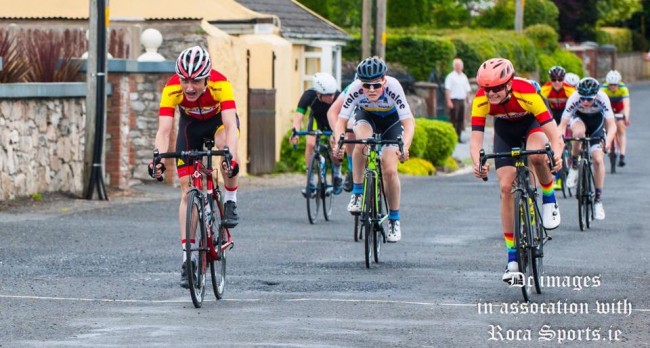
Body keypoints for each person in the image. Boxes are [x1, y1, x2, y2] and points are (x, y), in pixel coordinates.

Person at [149, 46, 241, 288]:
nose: (189, 87)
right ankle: (188, 256)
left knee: (226, 150)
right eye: (185, 80)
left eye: (196, 81)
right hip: (191, 126)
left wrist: (231, 155)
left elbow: (231, 125)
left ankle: (230, 199)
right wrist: (157, 158)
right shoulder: (171, 88)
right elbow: (165, 130)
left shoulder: (222, 84)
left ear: (207, 78)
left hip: (219, 124)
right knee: (187, 189)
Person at [470, 58, 563, 283]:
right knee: (505, 187)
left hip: (532, 126)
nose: (491, 94)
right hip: (505, 132)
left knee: (538, 154)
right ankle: (512, 258)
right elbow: (476, 140)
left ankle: (549, 198)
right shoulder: (481, 99)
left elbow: (554, 135)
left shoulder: (528, 92)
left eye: (496, 89)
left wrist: (557, 154)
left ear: (509, 84)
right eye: (487, 89)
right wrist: (478, 163)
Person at [333, 57, 414, 242]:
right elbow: (341, 121)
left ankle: (394, 220)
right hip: (367, 117)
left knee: (390, 169)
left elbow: (408, 123)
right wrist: (339, 142)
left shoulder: (394, 87)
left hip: (391, 122)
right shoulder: (354, 89)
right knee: (362, 142)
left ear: (384, 80)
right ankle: (357, 192)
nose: (370, 90)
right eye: (366, 85)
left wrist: (405, 147)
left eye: (376, 85)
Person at [560, 77, 617, 220]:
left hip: (597, 124)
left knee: (598, 160)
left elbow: (612, 124)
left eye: (589, 99)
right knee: (578, 134)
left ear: (596, 95)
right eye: (583, 98)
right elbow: (563, 124)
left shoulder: (603, 97)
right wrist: (558, 140)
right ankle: (574, 165)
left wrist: (608, 141)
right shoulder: (574, 97)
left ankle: (598, 200)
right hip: (579, 120)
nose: (585, 102)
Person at [290, 72, 343, 195]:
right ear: (318, 93)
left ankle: (337, 174)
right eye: (327, 95)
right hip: (316, 120)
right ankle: (311, 181)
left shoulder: (339, 96)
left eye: (332, 94)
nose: (331, 98)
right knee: (310, 144)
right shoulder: (308, 95)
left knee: (335, 144)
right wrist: (295, 132)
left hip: (334, 121)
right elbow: (298, 116)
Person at [600, 70, 630, 167]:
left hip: (619, 108)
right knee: (607, 126)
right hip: (608, 108)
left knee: (621, 128)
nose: (613, 87)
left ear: (618, 83)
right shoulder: (603, 88)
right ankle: (609, 144)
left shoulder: (623, 88)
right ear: (608, 83)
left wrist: (626, 117)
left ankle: (622, 155)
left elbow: (626, 105)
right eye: (611, 85)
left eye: (615, 85)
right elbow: (600, 105)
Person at [444, 58, 472, 142]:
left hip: (461, 100)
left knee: (460, 119)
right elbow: (447, 89)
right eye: (458, 65)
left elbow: (467, 89)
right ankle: (452, 137)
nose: (459, 67)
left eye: (460, 65)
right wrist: (448, 101)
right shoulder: (450, 76)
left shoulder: (464, 77)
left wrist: (468, 99)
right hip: (454, 100)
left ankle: (459, 137)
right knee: (453, 119)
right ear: (454, 66)